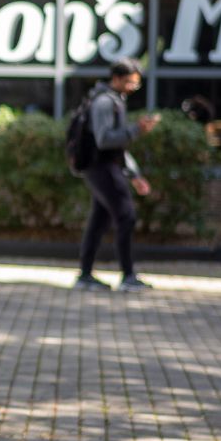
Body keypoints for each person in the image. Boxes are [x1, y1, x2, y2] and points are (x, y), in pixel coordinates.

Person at [71, 59, 158, 293]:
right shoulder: (103, 102)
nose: (132, 88)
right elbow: (105, 139)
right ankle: (128, 276)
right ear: (116, 79)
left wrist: (134, 174)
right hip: (101, 168)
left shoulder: (115, 100)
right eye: (130, 82)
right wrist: (136, 129)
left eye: (136, 84)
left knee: (99, 220)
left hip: (108, 167)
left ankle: (85, 275)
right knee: (126, 216)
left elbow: (120, 148)